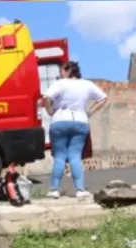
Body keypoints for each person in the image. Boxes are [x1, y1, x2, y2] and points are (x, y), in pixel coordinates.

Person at [41, 61, 108, 199]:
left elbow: (46, 97)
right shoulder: (87, 84)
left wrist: (50, 110)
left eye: (62, 71)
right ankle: (80, 190)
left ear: (69, 70)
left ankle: (54, 190)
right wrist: (89, 112)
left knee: (59, 156)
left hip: (60, 120)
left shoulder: (61, 83)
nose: (60, 74)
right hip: (80, 121)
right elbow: (103, 98)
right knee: (75, 156)